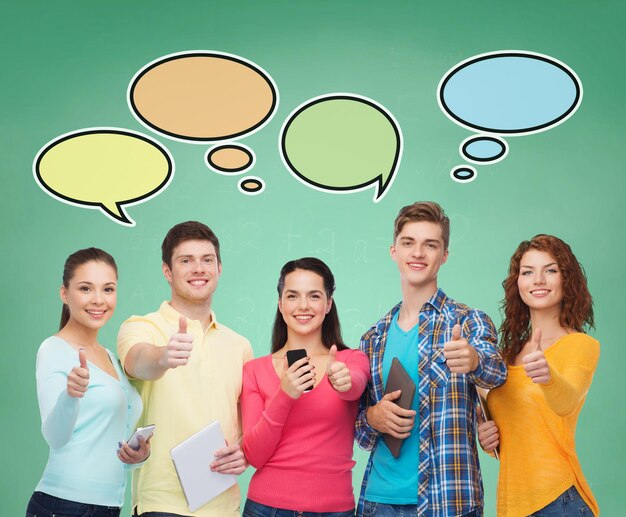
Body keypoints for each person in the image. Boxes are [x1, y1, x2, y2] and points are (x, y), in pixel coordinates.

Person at [355, 201, 507, 517]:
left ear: (444, 255)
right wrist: (372, 417)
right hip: (379, 502)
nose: (418, 253)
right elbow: (359, 431)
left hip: (448, 501)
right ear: (394, 251)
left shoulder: (468, 322)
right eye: (408, 243)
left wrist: (474, 359)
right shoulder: (373, 338)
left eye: (430, 245)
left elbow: (497, 373)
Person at [117, 221, 253, 517]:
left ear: (219, 268)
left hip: (225, 505)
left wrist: (244, 453)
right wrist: (163, 357)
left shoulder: (240, 345)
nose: (199, 268)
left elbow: (248, 423)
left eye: (207, 260)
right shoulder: (141, 327)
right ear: (168, 271)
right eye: (186, 261)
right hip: (162, 505)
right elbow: (138, 361)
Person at [477, 234, 599, 516]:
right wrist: (488, 440)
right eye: (528, 272)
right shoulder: (505, 357)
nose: (538, 280)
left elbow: (566, 401)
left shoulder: (581, 346)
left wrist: (548, 377)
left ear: (566, 280)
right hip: (511, 504)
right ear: (517, 283)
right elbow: (516, 432)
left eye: (551, 270)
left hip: (560, 500)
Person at [241, 257, 370, 516]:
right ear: (280, 304)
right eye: (292, 296)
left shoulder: (350, 360)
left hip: (335, 509)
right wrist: (284, 394)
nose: (303, 306)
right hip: (266, 508)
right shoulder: (254, 370)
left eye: (314, 296)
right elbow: (254, 455)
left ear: (328, 304)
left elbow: (355, 385)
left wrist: (343, 381)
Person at [27, 248, 149, 517]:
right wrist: (70, 396)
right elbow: (55, 436)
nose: (98, 300)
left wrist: (136, 457)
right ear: (64, 293)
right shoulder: (54, 349)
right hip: (64, 505)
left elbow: (101, 438)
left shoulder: (110, 357)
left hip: (108, 506)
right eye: (85, 288)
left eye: (108, 289)